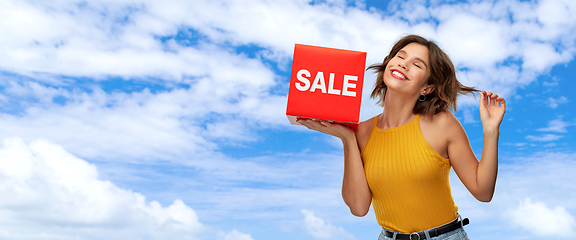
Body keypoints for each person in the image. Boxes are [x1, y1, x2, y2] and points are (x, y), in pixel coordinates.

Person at [297, 35, 506, 240]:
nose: (404, 64)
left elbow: (483, 192)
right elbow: (359, 208)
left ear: (427, 87)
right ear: (389, 63)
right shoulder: (360, 132)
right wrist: (348, 140)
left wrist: (490, 131)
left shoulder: (442, 123)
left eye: (417, 64)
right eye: (400, 56)